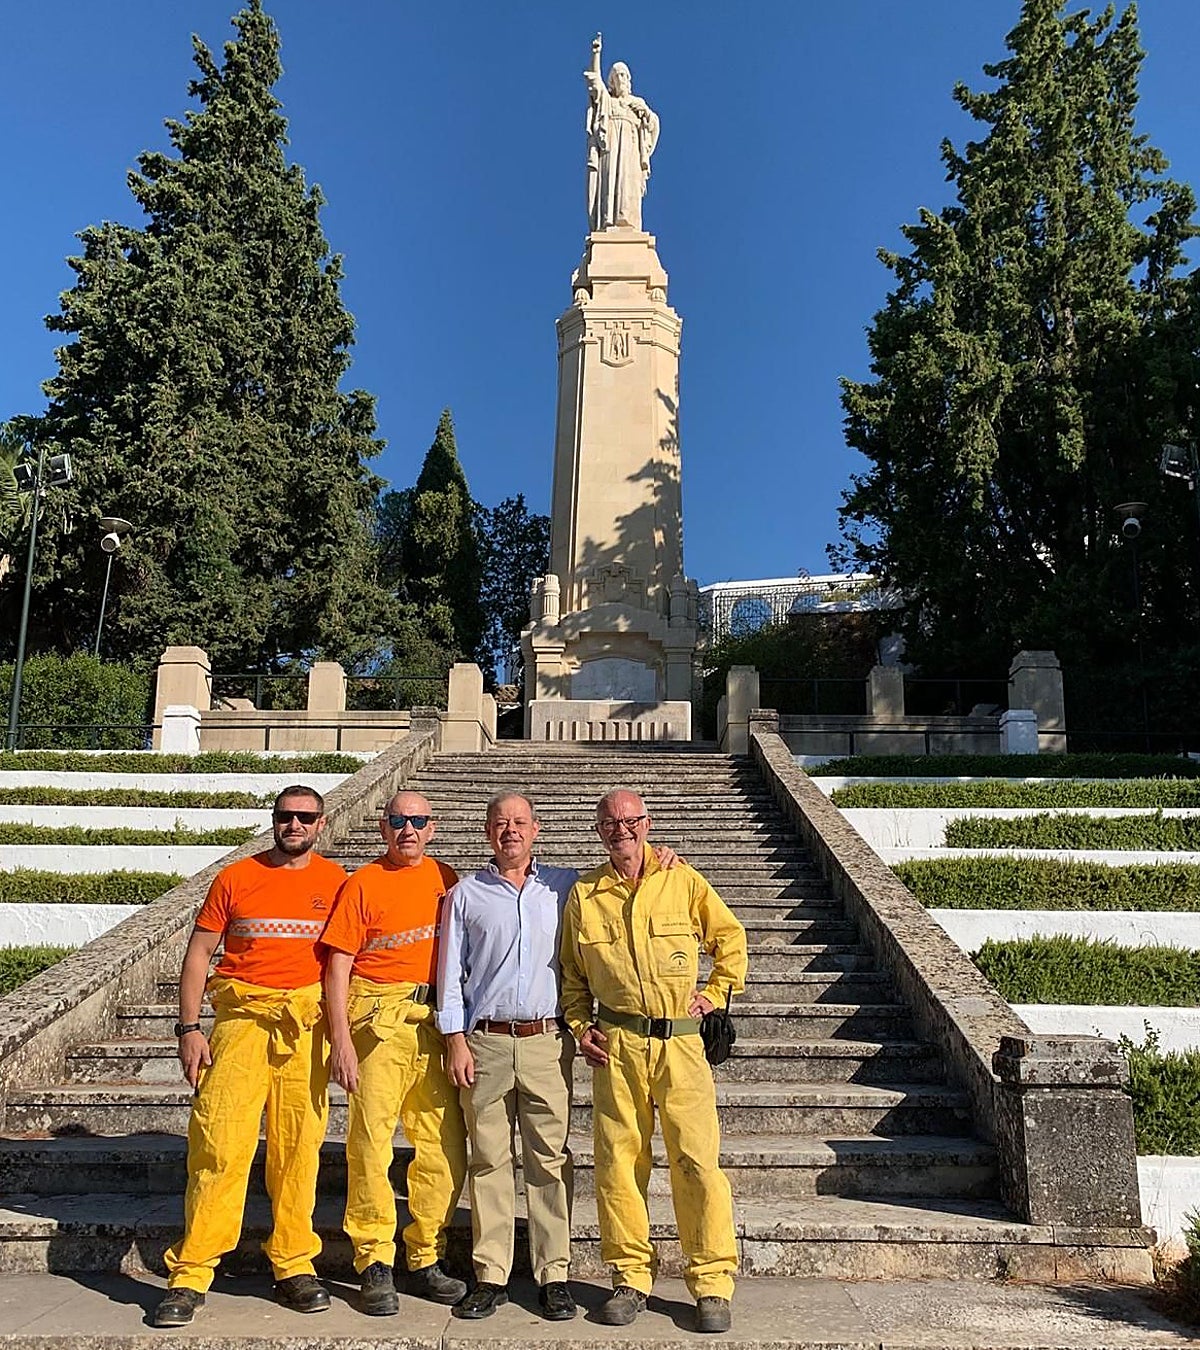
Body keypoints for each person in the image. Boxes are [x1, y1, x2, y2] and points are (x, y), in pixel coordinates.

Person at [154, 785, 346, 1328]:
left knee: (299, 1146)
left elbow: (342, 965)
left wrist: (341, 1036)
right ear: (274, 820)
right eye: (286, 816)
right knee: (219, 1145)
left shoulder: (336, 883)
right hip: (239, 1026)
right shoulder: (236, 878)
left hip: (304, 1030)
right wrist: (189, 1029)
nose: (295, 825)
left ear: (321, 823)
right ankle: (191, 1272)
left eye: (305, 817)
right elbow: (198, 955)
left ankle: (293, 1263)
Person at [560, 789, 747, 1334]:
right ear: (599, 830)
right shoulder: (585, 895)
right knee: (619, 1163)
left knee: (697, 1161)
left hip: (681, 1045)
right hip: (616, 1045)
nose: (622, 829)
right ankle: (629, 1277)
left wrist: (714, 994)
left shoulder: (682, 879)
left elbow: (730, 938)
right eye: (611, 822)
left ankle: (711, 1282)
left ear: (647, 823)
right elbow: (573, 976)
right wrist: (579, 1025)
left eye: (632, 820)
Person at [321, 791, 468, 1316]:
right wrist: (340, 1037)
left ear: (433, 828)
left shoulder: (447, 879)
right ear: (384, 828)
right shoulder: (362, 883)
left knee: (443, 1146)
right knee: (370, 1144)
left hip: (434, 1026)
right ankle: (374, 1260)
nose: (409, 829)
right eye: (398, 821)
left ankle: (426, 1253)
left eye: (419, 820)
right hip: (378, 1026)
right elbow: (337, 966)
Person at [437, 792, 580, 1322]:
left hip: (547, 1041)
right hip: (487, 1043)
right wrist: (454, 1038)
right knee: (489, 1160)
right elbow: (449, 974)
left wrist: (664, 857)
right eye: (501, 823)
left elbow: (626, 876)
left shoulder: (564, 887)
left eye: (519, 822)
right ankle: (491, 1273)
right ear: (487, 831)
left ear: (536, 829)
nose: (510, 831)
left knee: (549, 1159)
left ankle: (554, 1273)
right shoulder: (466, 894)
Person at [584, 32, 659, 232]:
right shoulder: (609, 102)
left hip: (631, 148)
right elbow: (595, 84)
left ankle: (628, 222)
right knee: (609, 183)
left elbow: (653, 125)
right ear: (612, 81)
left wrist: (645, 113)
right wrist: (596, 54)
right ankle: (609, 221)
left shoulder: (637, 103)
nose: (622, 79)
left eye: (625, 75)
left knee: (629, 184)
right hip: (611, 146)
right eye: (618, 76)